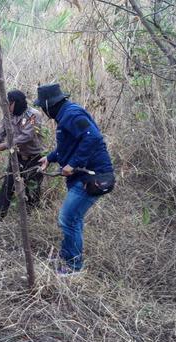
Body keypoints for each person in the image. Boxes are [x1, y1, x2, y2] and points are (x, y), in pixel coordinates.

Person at [35, 84, 114, 276]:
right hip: (84, 176)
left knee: (67, 218)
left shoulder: (71, 115)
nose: (43, 112)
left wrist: (74, 163)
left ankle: (73, 267)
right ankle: (69, 256)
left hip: (94, 177)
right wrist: (50, 158)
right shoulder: (66, 115)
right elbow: (68, 146)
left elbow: (92, 137)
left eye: (43, 108)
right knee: (73, 219)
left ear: (49, 105)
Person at [0, 90, 45, 221]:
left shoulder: (34, 115)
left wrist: (6, 145)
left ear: (15, 103)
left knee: (32, 190)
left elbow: (27, 136)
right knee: (7, 186)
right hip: (16, 158)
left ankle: (32, 219)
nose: (6, 107)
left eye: (8, 104)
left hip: (35, 159)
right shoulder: (8, 116)